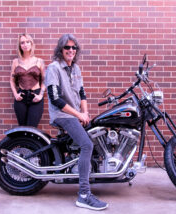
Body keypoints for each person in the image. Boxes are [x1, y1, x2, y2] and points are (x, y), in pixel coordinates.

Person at [45, 34, 108, 210]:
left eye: (74, 48)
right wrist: (78, 115)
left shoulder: (76, 69)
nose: (71, 50)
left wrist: (85, 113)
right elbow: (55, 99)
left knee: (96, 136)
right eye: (67, 47)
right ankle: (84, 194)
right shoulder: (54, 68)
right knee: (87, 145)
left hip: (75, 114)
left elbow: (82, 93)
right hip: (62, 115)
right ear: (60, 50)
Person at [10, 34, 45, 127]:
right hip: (21, 97)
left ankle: (30, 142)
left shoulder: (39, 61)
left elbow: (45, 80)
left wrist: (41, 95)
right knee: (21, 128)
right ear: (20, 46)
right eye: (22, 42)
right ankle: (22, 142)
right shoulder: (15, 62)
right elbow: (12, 80)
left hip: (35, 97)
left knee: (31, 128)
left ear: (31, 44)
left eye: (27, 42)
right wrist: (15, 94)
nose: (25, 44)